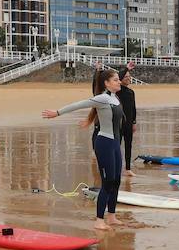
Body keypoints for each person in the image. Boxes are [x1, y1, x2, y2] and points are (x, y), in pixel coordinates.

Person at [43, 68, 124, 230]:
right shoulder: (102, 98)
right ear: (107, 83)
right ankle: (99, 220)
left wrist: (89, 121)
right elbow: (79, 104)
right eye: (115, 80)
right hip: (104, 143)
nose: (119, 81)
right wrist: (57, 112)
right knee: (107, 182)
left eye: (118, 79)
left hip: (115, 144)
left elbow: (98, 113)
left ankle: (112, 216)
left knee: (116, 181)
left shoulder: (115, 98)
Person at [116, 66, 137, 178]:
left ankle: (128, 169)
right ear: (121, 79)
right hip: (118, 124)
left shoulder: (131, 92)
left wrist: (134, 122)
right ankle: (117, 168)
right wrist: (126, 68)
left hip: (128, 124)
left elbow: (133, 108)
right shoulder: (118, 91)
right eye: (127, 77)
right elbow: (118, 76)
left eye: (130, 76)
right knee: (117, 146)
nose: (129, 78)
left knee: (129, 146)